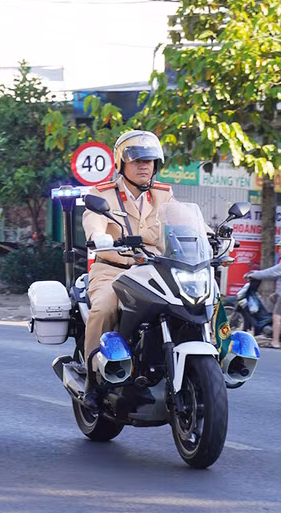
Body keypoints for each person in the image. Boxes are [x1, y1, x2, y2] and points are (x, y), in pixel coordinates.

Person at [81, 130, 173, 410]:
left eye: (150, 161)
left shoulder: (163, 195)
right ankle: (93, 380)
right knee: (104, 308)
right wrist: (98, 236)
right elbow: (93, 219)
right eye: (137, 160)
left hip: (155, 271)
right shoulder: (103, 193)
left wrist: (213, 235)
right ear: (121, 163)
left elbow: (183, 220)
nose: (145, 166)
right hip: (113, 270)